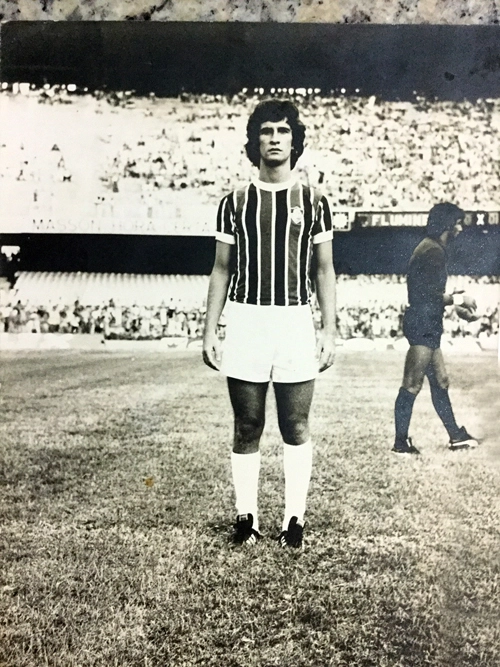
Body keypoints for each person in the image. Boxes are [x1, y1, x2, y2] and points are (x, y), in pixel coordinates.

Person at [202, 99, 336, 548]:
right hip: (246, 320)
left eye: (282, 131)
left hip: (295, 320)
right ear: (254, 141)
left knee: (296, 425)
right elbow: (222, 269)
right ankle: (247, 518)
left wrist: (328, 330)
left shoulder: (315, 200)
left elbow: (323, 270)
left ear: (295, 141)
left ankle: (294, 520)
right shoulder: (234, 202)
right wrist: (210, 330)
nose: (274, 138)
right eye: (266, 131)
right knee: (247, 424)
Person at [393, 203, 479, 455]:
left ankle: (456, 436)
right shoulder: (433, 251)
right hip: (423, 324)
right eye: (458, 223)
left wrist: (454, 303)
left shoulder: (431, 248)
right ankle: (400, 443)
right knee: (411, 384)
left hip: (427, 322)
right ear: (447, 224)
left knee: (441, 381)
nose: (461, 228)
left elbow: (431, 293)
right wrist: (460, 300)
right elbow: (427, 294)